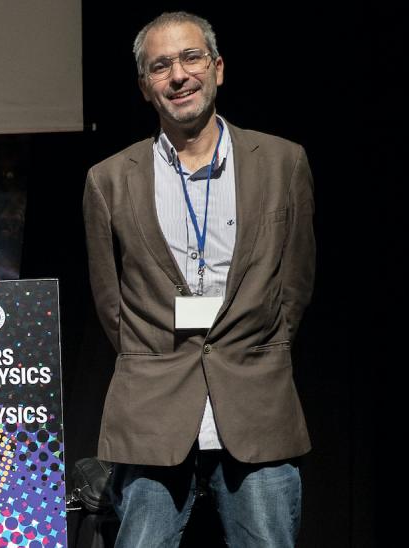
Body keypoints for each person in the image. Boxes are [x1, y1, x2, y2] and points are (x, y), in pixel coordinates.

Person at [82, 12, 315, 547]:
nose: (178, 76)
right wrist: (155, 357)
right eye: (160, 66)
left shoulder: (283, 162)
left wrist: (260, 345)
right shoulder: (109, 180)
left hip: (256, 402)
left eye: (191, 59)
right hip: (153, 408)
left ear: (218, 69)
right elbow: (109, 301)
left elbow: (296, 282)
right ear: (146, 87)